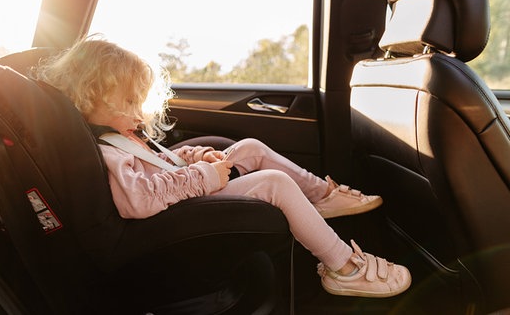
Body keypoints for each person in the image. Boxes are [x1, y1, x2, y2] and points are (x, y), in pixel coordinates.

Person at [33, 36, 411, 298]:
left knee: (249, 147)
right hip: (174, 213)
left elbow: (163, 163)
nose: (137, 113)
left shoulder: (125, 136)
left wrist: (198, 158)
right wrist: (203, 177)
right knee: (275, 183)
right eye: (127, 101)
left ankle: (321, 196)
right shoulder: (107, 150)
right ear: (88, 94)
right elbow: (140, 200)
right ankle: (344, 268)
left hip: (185, 192)